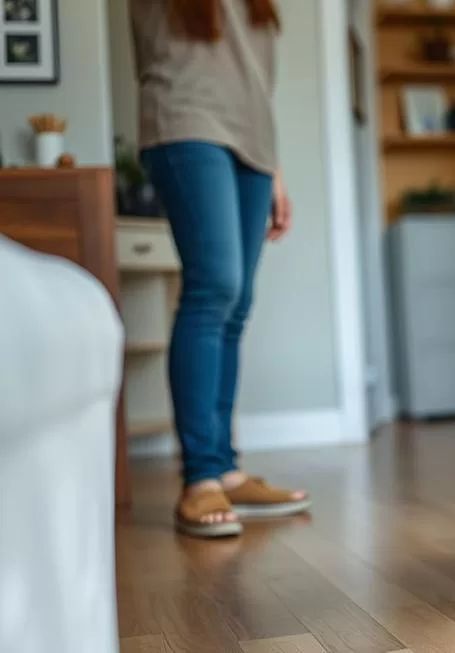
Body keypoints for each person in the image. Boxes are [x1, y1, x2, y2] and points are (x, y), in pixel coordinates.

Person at [131, 0, 310, 538]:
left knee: (236, 305)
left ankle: (226, 469)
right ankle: (200, 477)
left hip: (252, 142)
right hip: (185, 120)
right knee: (213, 290)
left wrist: (274, 169)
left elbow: (253, 76)